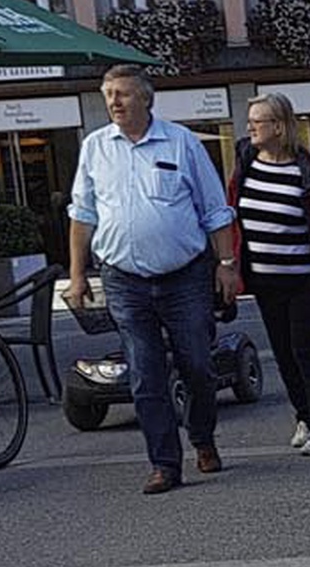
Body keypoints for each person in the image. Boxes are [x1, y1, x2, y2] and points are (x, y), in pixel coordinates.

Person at [65, 63, 237, 495]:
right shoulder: (95, 148)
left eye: (122, 94)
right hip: (124, 278)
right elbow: (82, 215)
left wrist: (227, 264)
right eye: (108, 95)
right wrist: (77, 275)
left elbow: (215, 209)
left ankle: (201, 435)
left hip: (185, 276)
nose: (114, 103)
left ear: (145, 98)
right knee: (144, 372)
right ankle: (164, 463)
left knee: (197, 363)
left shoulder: (181, 143)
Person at [228, 91, 310, 456]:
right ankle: (303, 416)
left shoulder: (307, 169)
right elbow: (231, 215)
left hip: (305, 277)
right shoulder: (245, 163)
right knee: (284, 352)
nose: (251, 127)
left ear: (279, 126)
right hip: (265, 279)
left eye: (258, 121)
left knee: (307, 349)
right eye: (250, 120)